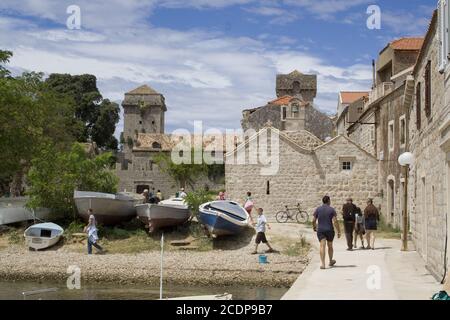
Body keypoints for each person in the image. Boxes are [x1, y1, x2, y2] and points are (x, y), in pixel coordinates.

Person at [313, 196, 341, 270]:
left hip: (321, 230)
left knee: (322, 246)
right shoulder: (331, 210)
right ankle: (331, 261)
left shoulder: (318, 209)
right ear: (328, 201)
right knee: (330, 246)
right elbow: (335, 221)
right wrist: (339, 231)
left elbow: (313, 220)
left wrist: (314, 227)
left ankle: (323, 264)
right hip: (329, 230)